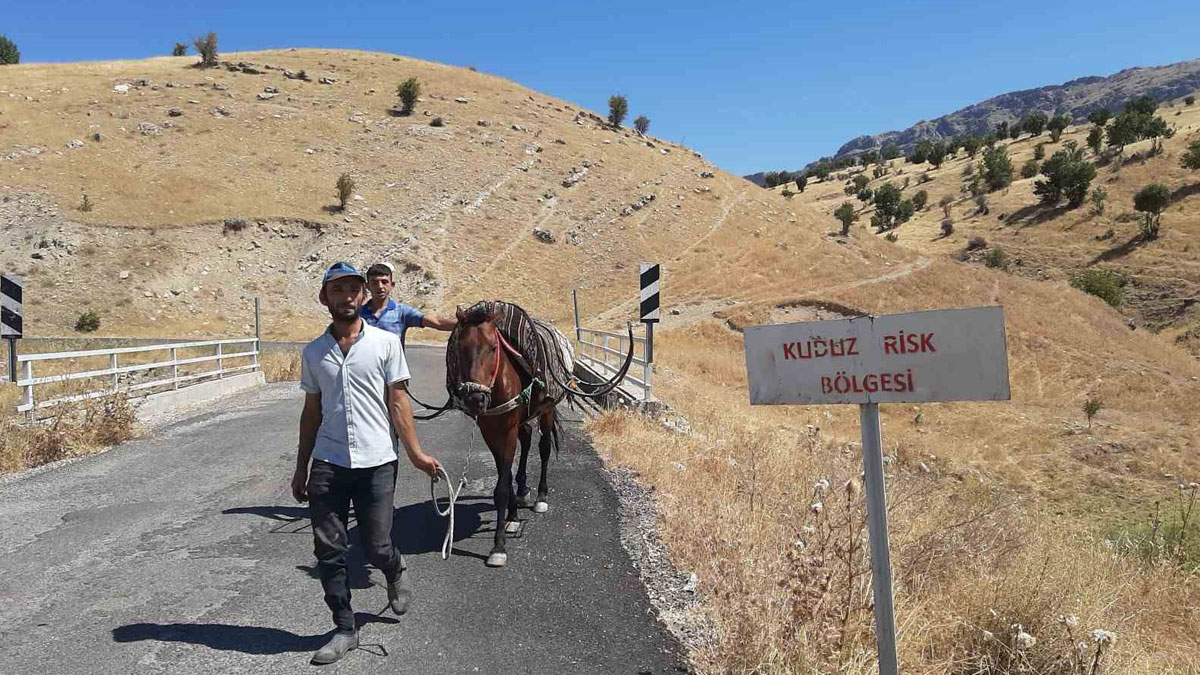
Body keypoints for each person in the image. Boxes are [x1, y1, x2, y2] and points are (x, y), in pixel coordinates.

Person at [292, 262, 443, 665]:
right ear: (325, 298)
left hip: (377, 460)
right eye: (336, 290)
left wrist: (415, 453)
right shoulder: (313, 352)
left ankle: (394, 569)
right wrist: (301, 466)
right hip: (329, 462)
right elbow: (312, 411)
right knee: (329, 550)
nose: (346, 296)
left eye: (352, 289)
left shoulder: (384, 344)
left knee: (375, 545)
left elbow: (398, 401)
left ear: (362, 296)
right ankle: (344, 627)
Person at [360, 262, 457, 345]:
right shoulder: (358, 314)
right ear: (367, 286)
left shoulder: (402, 312)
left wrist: (466, 322)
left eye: (384, 282)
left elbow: (437, 323)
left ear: (392, 285)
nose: (380, 286)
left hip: (394, 367)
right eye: (375, 282)